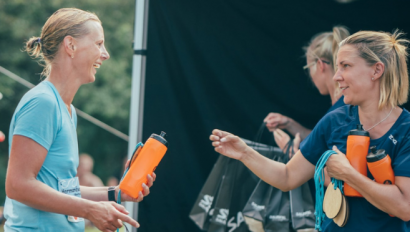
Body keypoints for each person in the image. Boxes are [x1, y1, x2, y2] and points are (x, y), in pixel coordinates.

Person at [211, 30, 410, 231]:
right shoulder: (335, 120)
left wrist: (348, 174)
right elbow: (287, 177)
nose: (336, 76)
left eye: (346, 66)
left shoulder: (406, 129)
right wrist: (244, 153)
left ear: (376, 70)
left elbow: (404, 207)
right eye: (337, 66)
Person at [4, 8, 155, 232]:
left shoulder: (68, 110)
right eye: (99, 43)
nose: (105, 54)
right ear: (70, 45)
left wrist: (118, 192)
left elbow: (63, 189)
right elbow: (17, 186)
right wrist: (89, 209)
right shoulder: (42, 103)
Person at [265, 26, 350, 154]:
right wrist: (289, 124)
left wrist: (290, 151)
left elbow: (328, 166)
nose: (310, 75)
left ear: (320, 65)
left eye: (308, 67)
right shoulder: (342, 106)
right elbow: (320, 139)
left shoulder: (339, 113)